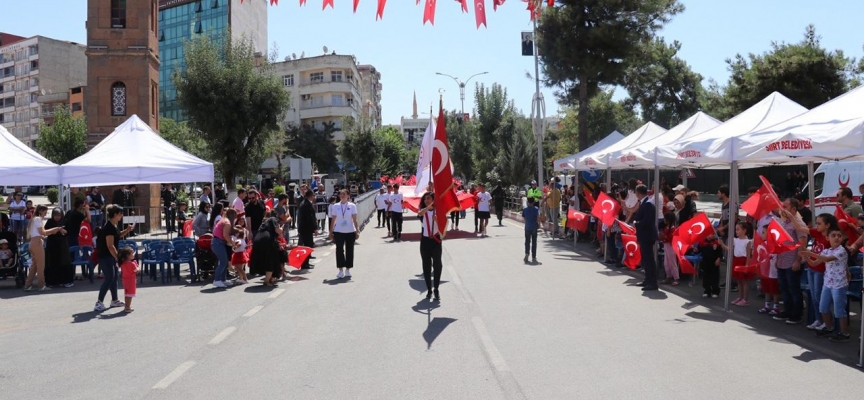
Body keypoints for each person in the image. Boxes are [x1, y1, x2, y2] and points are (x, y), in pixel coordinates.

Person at [802, 227, 852, 342]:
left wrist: (809, 252)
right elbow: (815, 263)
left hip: (839, 284)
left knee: (839, 310)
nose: (836, 238)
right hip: (828, 283)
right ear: (827, 238)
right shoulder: (826, 250)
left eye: (839, 235)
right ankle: (829, 327)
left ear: (842, 238)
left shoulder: (841, 250)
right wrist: (807, 257)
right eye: (833, 235)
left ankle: (844, 333)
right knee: (823, 307)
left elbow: (827, 259)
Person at [772, 198, 808, 325]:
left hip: (792, 261)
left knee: (793, 288)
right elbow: (780, 242)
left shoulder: (799, 224)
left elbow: (802, 243)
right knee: (784, 288)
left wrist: (797, 261)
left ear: (793, 209)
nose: (782, 209)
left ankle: (796, 314)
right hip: (782, 260)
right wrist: (777, 258)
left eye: (785, 206)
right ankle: (787, 311)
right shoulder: (784, 222)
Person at [93, 205, 133, 311]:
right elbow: (110, 246)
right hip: (105, 256)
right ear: (115, 214)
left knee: (114, 278)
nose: (122, 215)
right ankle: (99, 302)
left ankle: (114, 300)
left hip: (110, 257)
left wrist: (127, 230)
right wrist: (118, 257)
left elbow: (117, 235)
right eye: (120, 214)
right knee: (109, 278)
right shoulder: (109, 227)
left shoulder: (114, 225)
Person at [23, 205, 67, 291]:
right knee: (40, 265)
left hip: (33, 242)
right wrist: (56, 229)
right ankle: (41, 285)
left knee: (34, 265)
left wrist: (55, 229)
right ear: (41, 211)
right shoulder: (38, 219)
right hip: (37, 243)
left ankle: (28, 285)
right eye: (45, 211)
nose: (46, 213)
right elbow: (43, 232)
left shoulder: (34, 219)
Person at [633, 184, 659, 291]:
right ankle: (647, 279)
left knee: (649, 259)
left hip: (647, 235)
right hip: (644, 235)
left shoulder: (648, 204)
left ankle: (652, 282)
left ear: (638, 193)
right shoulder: (644, 203)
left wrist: (637, 223)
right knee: (645, 259)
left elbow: (648, 221)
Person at [417, 192, 442, 300]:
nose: (426, 200)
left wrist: (438, 220)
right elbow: (420, 214)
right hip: (425, 242)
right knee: (426, 266)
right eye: (425, 199)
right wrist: (428, 207)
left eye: (429, 198)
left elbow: (445, 226)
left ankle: (436, 288)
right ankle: (429, 290)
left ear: (434, 200)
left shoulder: (439, 212)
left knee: (437, 265)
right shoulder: (423, 211)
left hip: (436, 241)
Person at [329, 190, 359, 279]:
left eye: (344, 194)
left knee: (349, 250)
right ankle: (340, 269)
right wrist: (330, 232)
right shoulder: (335, 206)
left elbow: (354, 219)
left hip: (350, 231)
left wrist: (357, 230)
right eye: (341, 194)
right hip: (338, 231)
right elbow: (333, 219)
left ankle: (348, 269)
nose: (342, 196)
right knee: (339, 250)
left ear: (348, 196)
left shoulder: (352, 206)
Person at [723, 221, 754, 306]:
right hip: (736, 260)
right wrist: (722, 244)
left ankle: (745, 299)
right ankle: (740, 297)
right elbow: (729, 249)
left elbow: (748, 255)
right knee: (739, 281)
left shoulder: (747, 241)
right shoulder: (735, 240)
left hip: (743, 261)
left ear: (744, 230)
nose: (736, 231)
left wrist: (747, 266)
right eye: (736, 230)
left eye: (738, 230)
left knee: (745, 281)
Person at [44, 208, 74, 288]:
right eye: (55, 216)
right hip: (52, 245)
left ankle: (66, 281)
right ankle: (52, 282)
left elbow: (69, 232)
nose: (57, 217)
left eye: (59, 215)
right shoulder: (50, 222)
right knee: (52, 263)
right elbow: (45, 232)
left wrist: (63, 230)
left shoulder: (65, 221)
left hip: (62, 245)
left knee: (64, 262)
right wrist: (55, 230)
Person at [250, 217, 284, 286]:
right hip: (267, 242)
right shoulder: (274, 220)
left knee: (263, 260)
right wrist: (281, 229)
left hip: (257, 240)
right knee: (270, 261)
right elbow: (278, 231)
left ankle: (270, 278)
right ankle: (267, 281)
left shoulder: (264, 225)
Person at [211, 208, 238, 288]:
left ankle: (223, 279)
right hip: (218, 243)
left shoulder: (224, 220)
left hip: (218, 242)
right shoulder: (227, 223)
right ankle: (217, 280)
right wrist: (232, 243)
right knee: (223, 262)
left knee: (224, 261)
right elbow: (225, 235)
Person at [297, 190, 318, 270]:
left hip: (304, 228)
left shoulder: (305, 203)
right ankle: (305, 264)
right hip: (306, 229)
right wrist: (315, 228)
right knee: (307, 246)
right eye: (313, 195)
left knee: (307, 246)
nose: (314, 197)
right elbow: (310, 218)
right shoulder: (307, 204)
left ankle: (306, 263)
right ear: (310, 196)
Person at [659, 213, 679, 286]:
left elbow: (671, 238)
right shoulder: (666, 227)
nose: (664, 220)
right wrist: (661, 236)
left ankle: (676, 278)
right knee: (666, 262)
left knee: (672, 263)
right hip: (666, 245)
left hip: (671, 246)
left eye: (665, 218)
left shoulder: (673, 228)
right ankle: (668, 276)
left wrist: (663, 236)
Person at [118, 247, 138, 313]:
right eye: (132, 253)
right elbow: (136, 271)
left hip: (125, 280)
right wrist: (137, 266)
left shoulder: (123, 263)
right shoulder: (132, 264)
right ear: (128, 255)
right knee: (130, 294)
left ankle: (126, 306)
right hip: (131, 281)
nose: (133, 254)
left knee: (126, 293)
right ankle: (128, 307)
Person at [522, 197, 540, 263]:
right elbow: (538, 217)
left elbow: (524, 217)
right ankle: (534, 257)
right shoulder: (536, 209)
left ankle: (527, 253)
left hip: (527, 227)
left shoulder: (525, 209)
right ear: (533, 202)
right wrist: (539, 224)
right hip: (534, 227)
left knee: (527, 241)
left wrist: (527, 223)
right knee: (534, 242)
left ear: (527, 202)